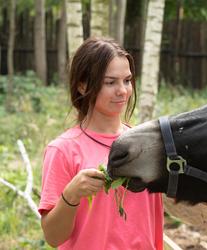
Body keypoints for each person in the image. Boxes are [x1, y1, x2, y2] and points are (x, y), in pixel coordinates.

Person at [38, 37, 164, 250]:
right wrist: (71, 194)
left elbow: (154, 224)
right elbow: (53, 237)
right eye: (110, 82)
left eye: (127, 80)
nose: (122, 91)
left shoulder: (147, 143)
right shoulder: (64, 150)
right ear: (82, 85)